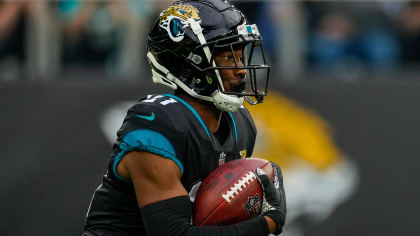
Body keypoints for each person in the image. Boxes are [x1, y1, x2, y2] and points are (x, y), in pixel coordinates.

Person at [82, 0, 286, 235]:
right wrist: (268, 223)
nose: (241, 69)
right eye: (228, 58)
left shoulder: (241, 124)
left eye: (241, 56)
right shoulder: (156, 124)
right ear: (191, 64)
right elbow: (174, 234)